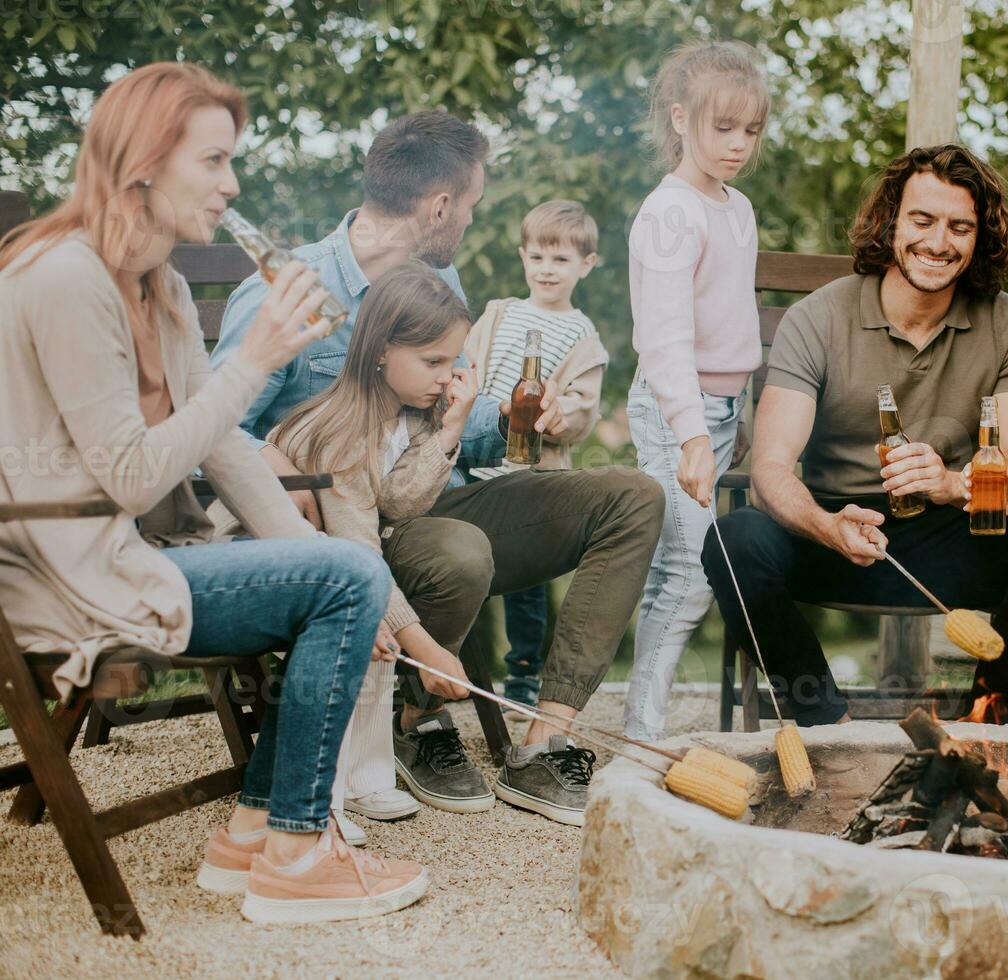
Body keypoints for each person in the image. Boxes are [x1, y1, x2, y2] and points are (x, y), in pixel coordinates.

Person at [0, 62, 425, 923]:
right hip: (66, 575)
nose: (233, 185)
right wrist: (257, 360)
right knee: (346, 577)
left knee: (344, 573)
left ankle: (253, 834)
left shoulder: (158, 282)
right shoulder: (62, 277)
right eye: (215, 161)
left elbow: (225, 446)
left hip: (128, 555)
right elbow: (131, 473)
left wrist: (347, 576)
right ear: (145, 162)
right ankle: (297, 860)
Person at [211, 111, 663, 827]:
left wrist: (512, 418)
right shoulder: (288, 288)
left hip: (423, 495)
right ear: (440, 206)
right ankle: (415, 719)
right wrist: (278, 466)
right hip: (337, 526)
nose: (475, 218)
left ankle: (544, 742)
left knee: (632, 496)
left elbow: (452, 419)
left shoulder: (435, 281)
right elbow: (217, 430)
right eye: (475, 203)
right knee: (459, 550)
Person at [702, 144, 1008, 727]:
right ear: (890, 222)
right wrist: (828, 527)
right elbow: (770, 471)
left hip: (957, 529)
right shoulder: (818, 317)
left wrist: (951, 485)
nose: (938, 242)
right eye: (923, 220)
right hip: (841, 529)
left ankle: (987, 728)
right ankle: (824, 724)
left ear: (980, 238)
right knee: (734, 539)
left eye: (960, 227)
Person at [212, 261, 491, 838]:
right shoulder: (340, 432)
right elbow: (358, 553)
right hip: (266, 564)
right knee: (364, 617)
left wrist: (449, 428)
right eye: (433, 361)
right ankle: (325, 795)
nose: (447, 377)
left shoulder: (408, 414)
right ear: (383, 350)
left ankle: (367, 775)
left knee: (377, 618)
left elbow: (402, 500)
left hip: (335, 556)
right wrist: (428, 647)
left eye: (454, 361)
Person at [623, 40, 767, 740]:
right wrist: (688, 435)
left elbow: (730, 317)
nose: (738, 145)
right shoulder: (669, 213)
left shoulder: (736, 207)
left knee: (682, 573)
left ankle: (639, 730)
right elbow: (665, 340)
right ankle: (640, 738)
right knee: (687, 574)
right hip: (671, 408)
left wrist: (740, 410)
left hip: (720, 408)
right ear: (681, 119)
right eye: (722, 128)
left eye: (751, 130)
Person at [464, 199, 608, 709]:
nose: (547, 270)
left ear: (586, 265)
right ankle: (459, 664)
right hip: (472, 464)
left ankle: (524, 672)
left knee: (525, 580)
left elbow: (581, 408)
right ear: (523, 257)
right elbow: (466, 368)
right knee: (464, 567)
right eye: (538, 257)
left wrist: (554, 416)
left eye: (561, 260)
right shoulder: (499, 313)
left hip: (530, 474)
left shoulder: (583, 336)